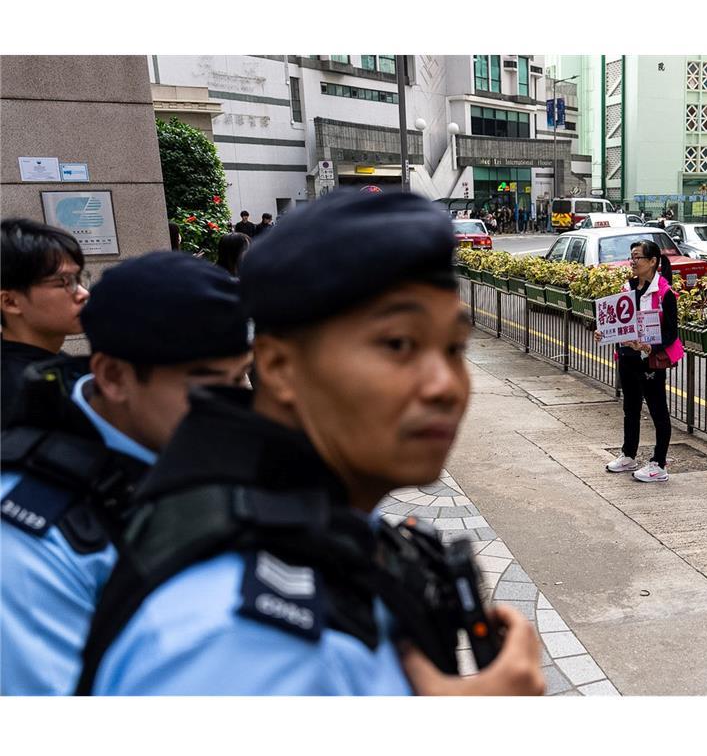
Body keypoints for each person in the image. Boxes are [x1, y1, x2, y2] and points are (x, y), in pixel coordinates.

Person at [80, 190, 544, 696]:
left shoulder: (306, 524)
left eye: (454, 348)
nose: (444, 385)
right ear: (279, 368)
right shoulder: (236, 641)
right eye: (398, 344)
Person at [1, 252, 252, 694]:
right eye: (212, 385)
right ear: (114, 377)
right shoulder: (24, 540)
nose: (239, 406)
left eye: (242, 379)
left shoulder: (198, 441)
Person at [594, 240, 683, 483]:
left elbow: (671, 334)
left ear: (653, 261)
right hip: (627, 357)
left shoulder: (665, 293)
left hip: (650, 361)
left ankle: (659, 464)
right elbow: (617, 321)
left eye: (638, 258)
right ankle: (629, 454)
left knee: (657, 410)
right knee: (630, 408)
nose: (633, 262)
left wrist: (649, 346)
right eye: (631, 257)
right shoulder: (627, 288)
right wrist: (603, 331)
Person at [1, 219, 91, 429]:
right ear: (10, 302)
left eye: (78, 279)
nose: (83, 293)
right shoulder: (18, 392)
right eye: (64, 282)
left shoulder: (54, 362)